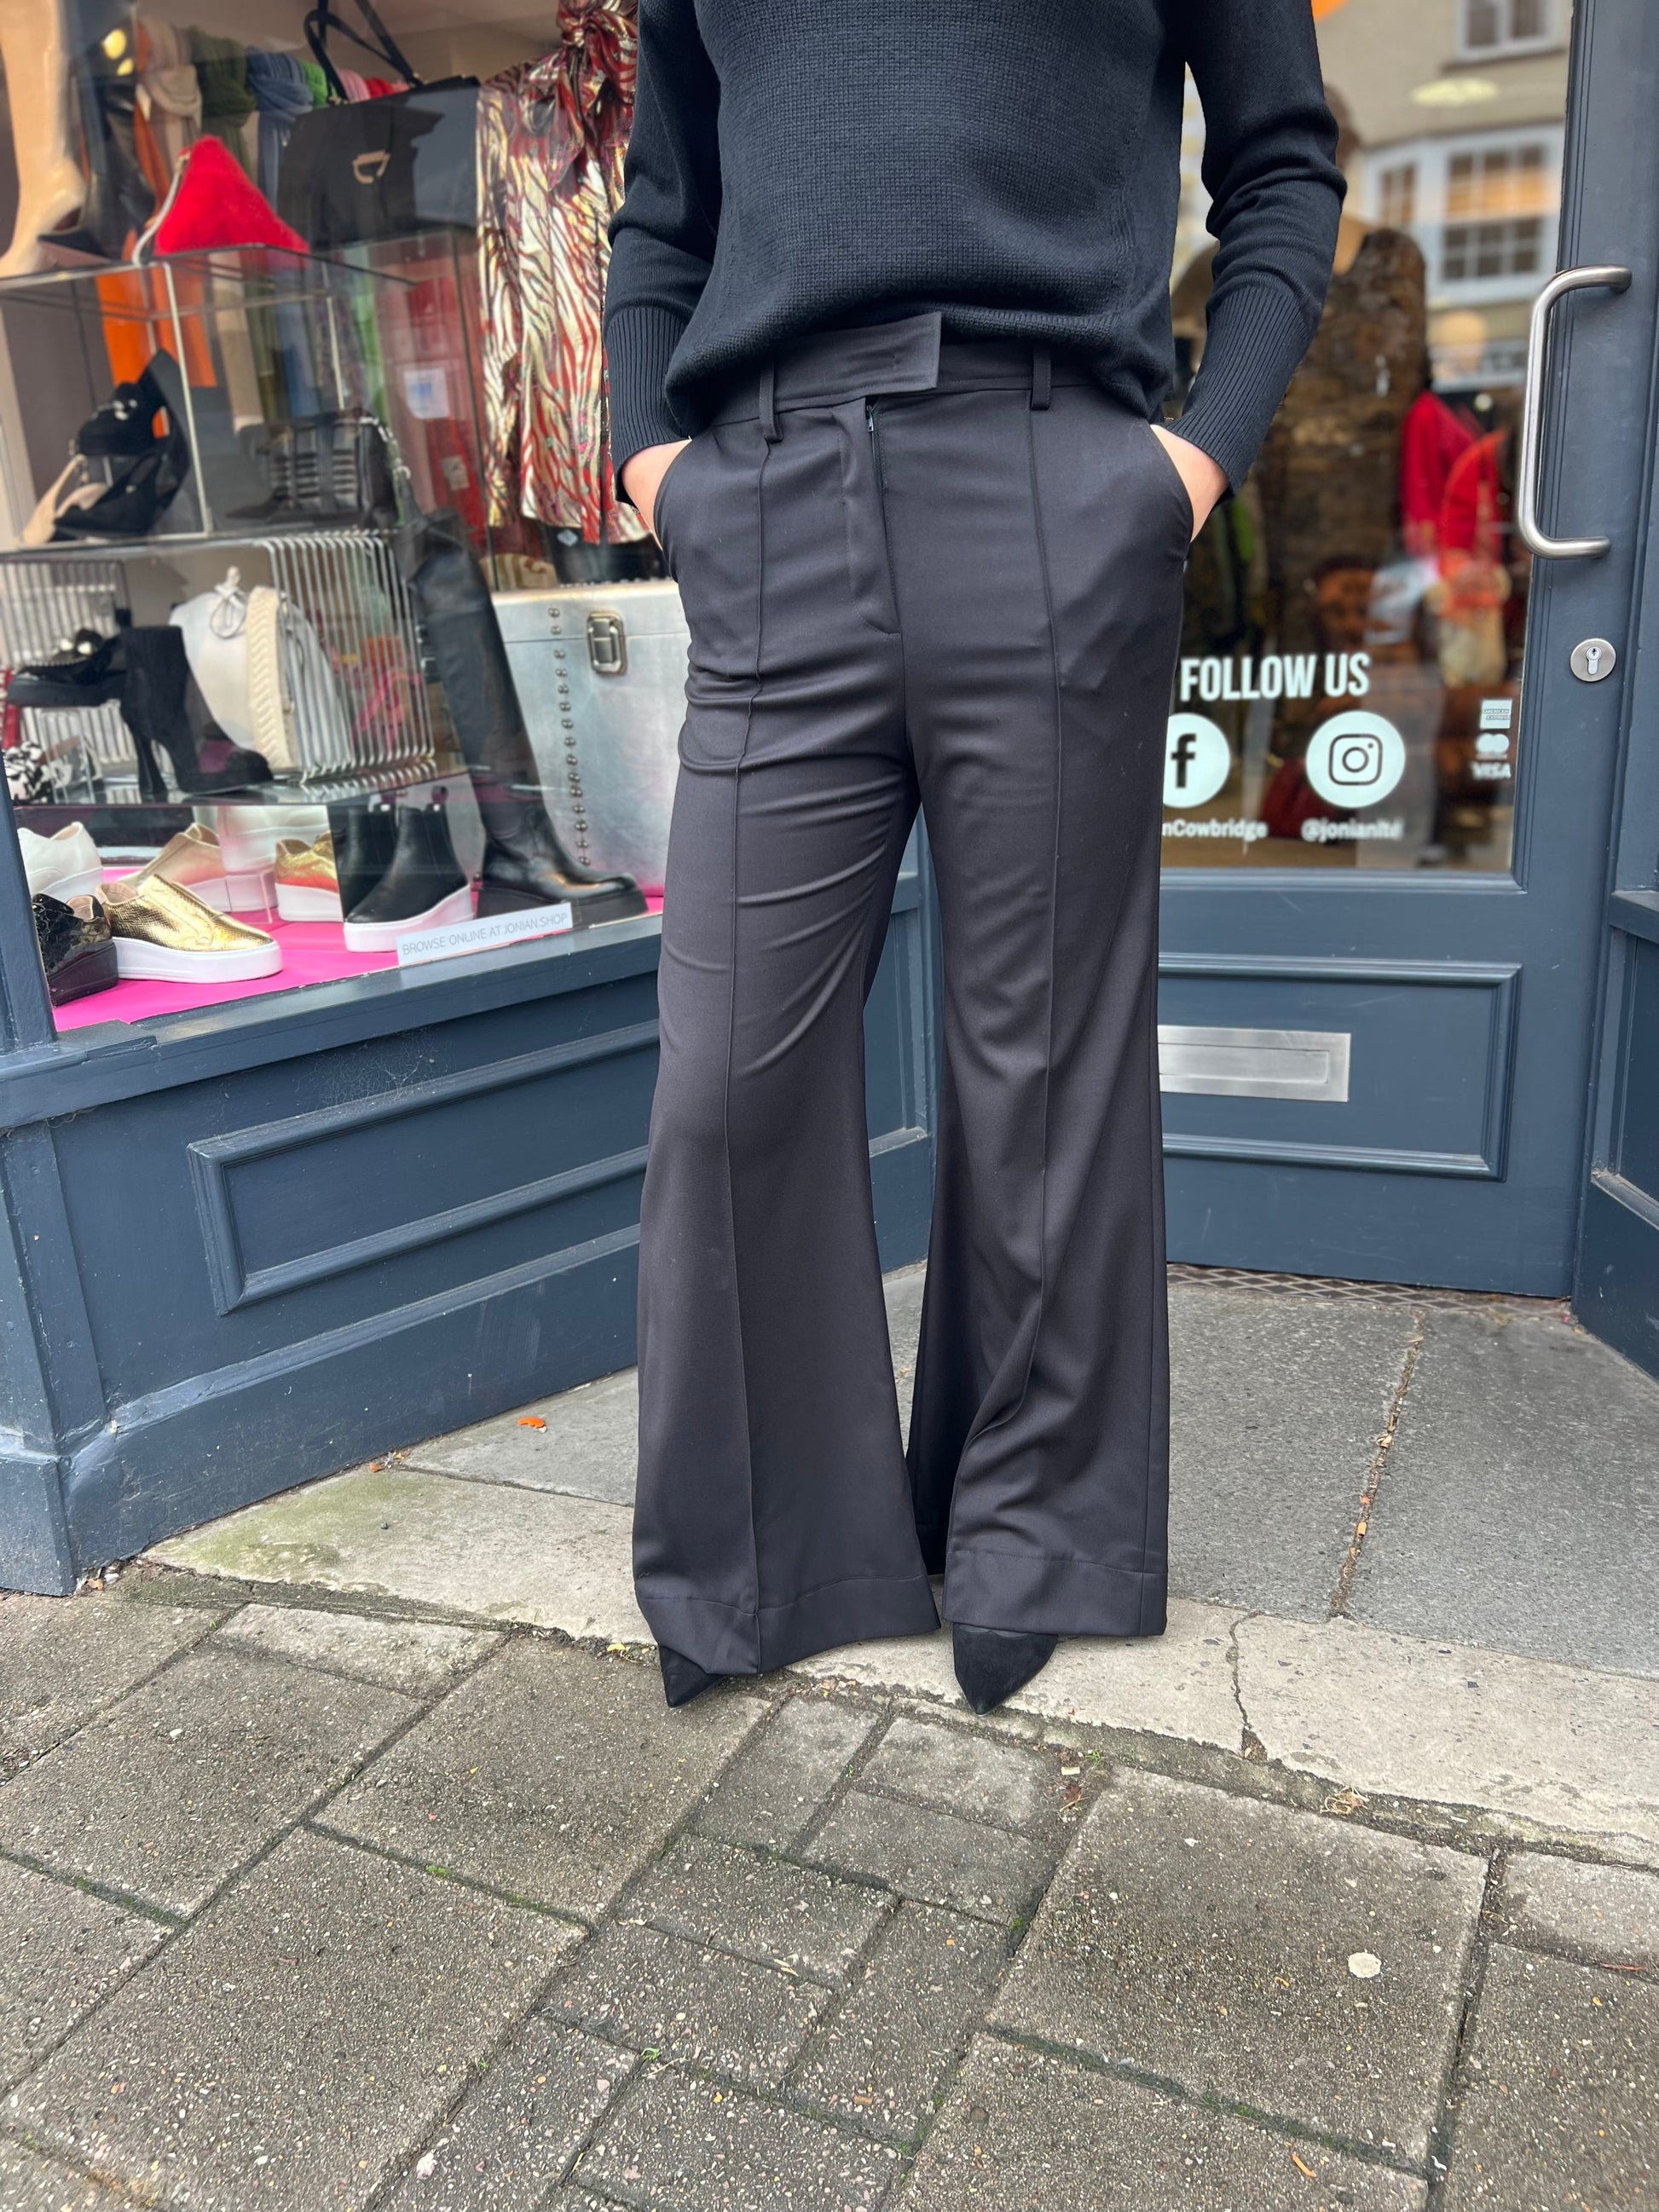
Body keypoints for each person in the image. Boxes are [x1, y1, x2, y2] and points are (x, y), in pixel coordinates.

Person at [604, 0, 1344, 1715]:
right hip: (764, 487)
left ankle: (1029, 1536)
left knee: (1039, 1060)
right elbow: (663, 211)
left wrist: (1184, 466)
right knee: (727, 1069)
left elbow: (1278, 171)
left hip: (1051, 466)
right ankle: (756, 1554)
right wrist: (654, 467)